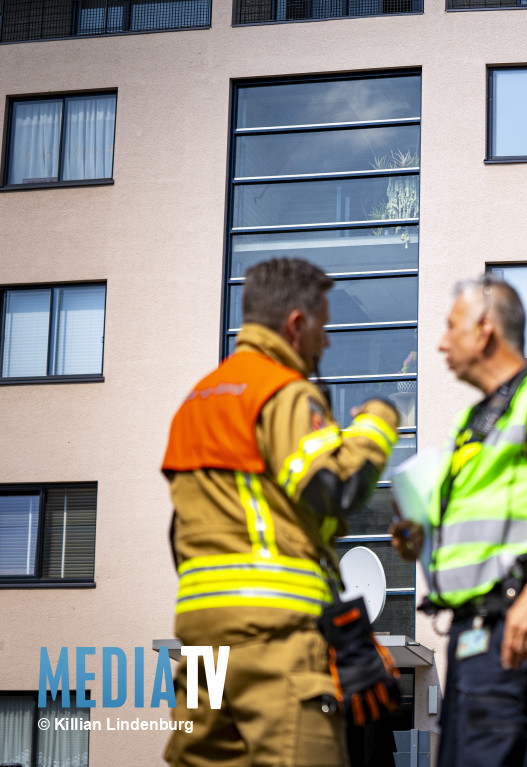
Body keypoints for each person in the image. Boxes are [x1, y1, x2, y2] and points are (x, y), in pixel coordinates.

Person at [161, 258, 401, 767]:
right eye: (324, 327)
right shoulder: (283, 393)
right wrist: (378, 424)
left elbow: (181, 534)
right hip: (274, 643)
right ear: (296, 325)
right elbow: (333, 490)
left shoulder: (195, 403)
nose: (328, 342)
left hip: (202, 649)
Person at [391, 276, 527, 767]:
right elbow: (482, 528)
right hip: (472, 638)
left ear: (485, 330)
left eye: (450, 327)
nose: (440, 342)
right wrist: (420, 541)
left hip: (515, 633)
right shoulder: (475, 423)